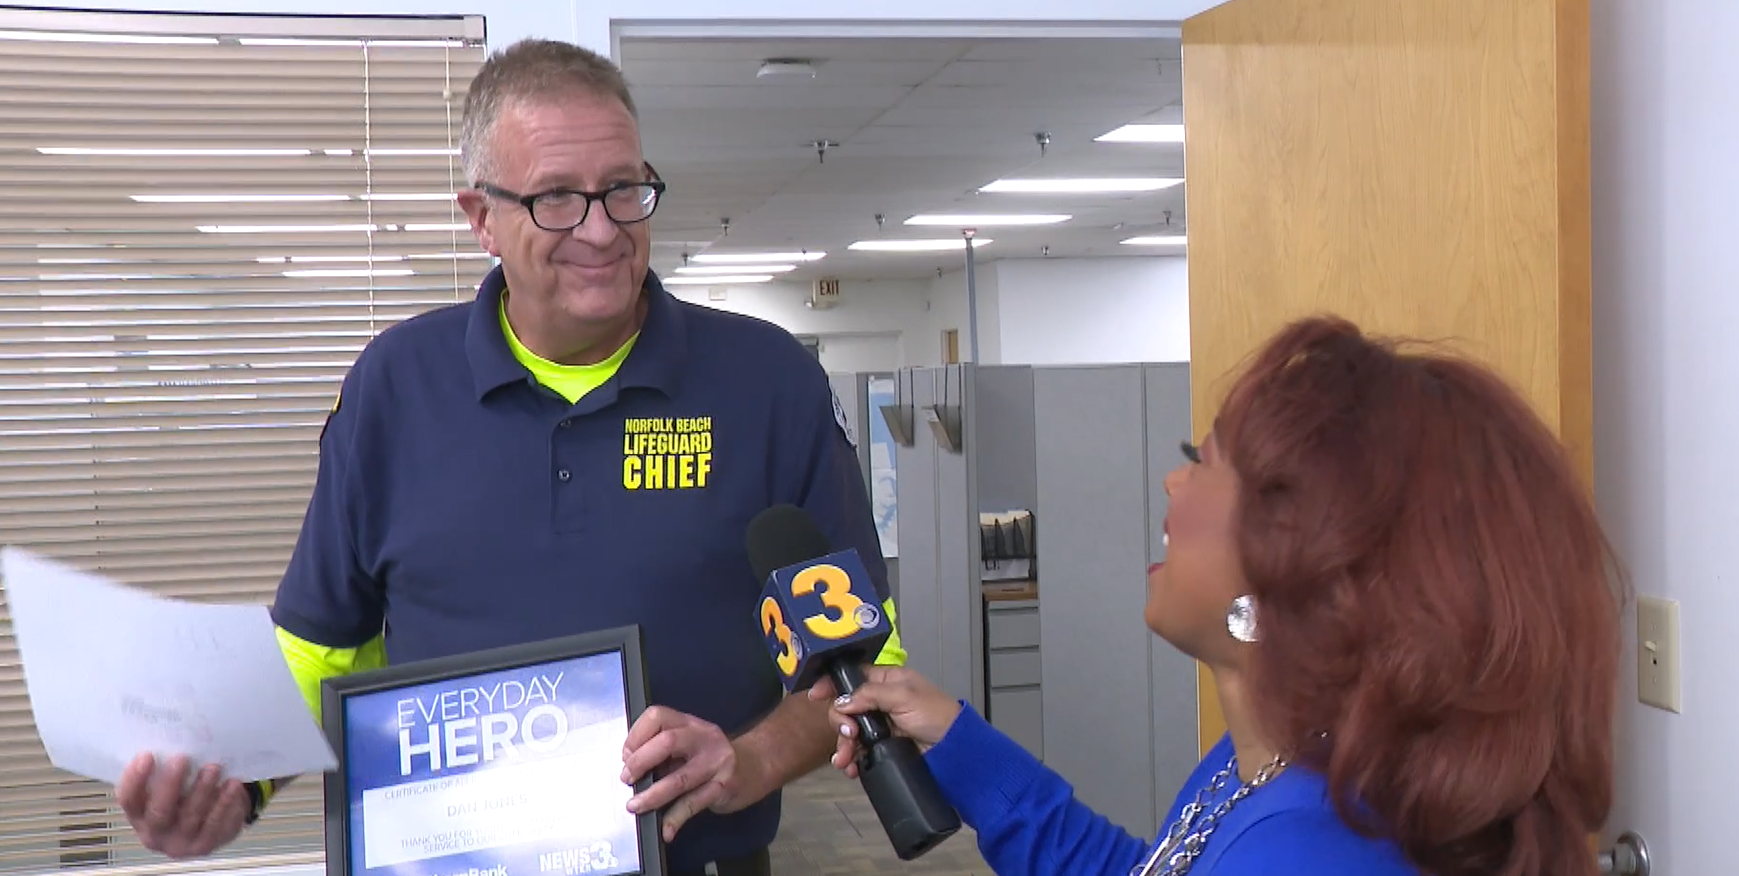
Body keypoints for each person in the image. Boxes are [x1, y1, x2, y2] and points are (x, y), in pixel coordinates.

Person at [109, 38, 907, 876]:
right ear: (480, 217)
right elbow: (321, 647)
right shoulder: (395, 388)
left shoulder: (766, 382)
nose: (602, 230)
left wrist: (748, 763)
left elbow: (862, 666)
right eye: (557, 198)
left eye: (625, 190)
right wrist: (232, 786)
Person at [812, 315, 1621, 876]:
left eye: (1204, 456)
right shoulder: (1270, 771)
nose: (1174, 479)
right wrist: (956, 738)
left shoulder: (1309, 852)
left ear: (1307, 558)